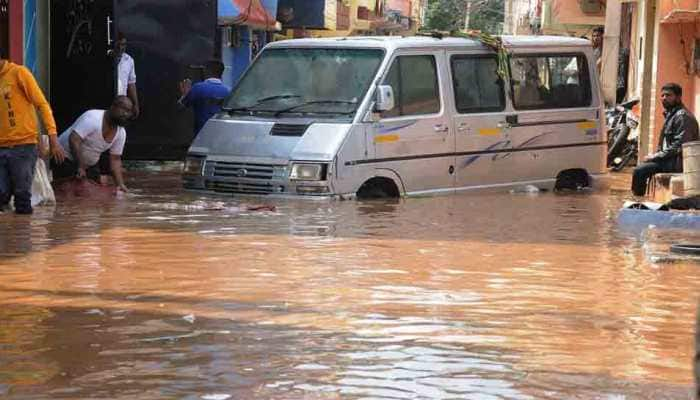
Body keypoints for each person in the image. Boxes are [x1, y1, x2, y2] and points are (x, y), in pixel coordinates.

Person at [0, 49, 65, 214]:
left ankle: (24, 236)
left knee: (22, 198)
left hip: (23, 146)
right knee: (1, 195)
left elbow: (41, 105)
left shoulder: (19, 73)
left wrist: (52, 138)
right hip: (1, 147)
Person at [52, 96, 134, 193]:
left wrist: (120, 184)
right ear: (113, 107)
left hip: (89, 165)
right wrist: (80, 166)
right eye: (123, 109)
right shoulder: (93, 118)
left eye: (128, 111)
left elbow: (115, 159)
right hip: (65, 158)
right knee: (65, 191)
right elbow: (74, 139)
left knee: (95, 194)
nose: (126, 114)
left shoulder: (121, 133)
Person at [631, 83, 699, 196]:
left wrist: (656, 156)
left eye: (668, 95)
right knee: (642, 166)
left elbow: (679, 145)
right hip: (669, 160)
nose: (664, 98)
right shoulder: (672, 114)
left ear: (678, 97)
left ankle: (638, 202)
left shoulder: (682, 117)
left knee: (639, 171)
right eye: (662, 95)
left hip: (677, 163)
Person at [178, 60, 230, 136]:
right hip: (222, 135)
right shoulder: (229, 91)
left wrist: (185, 94)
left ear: (207, 71)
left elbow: (179, 107)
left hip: (201, 135)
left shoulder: (198, 88)